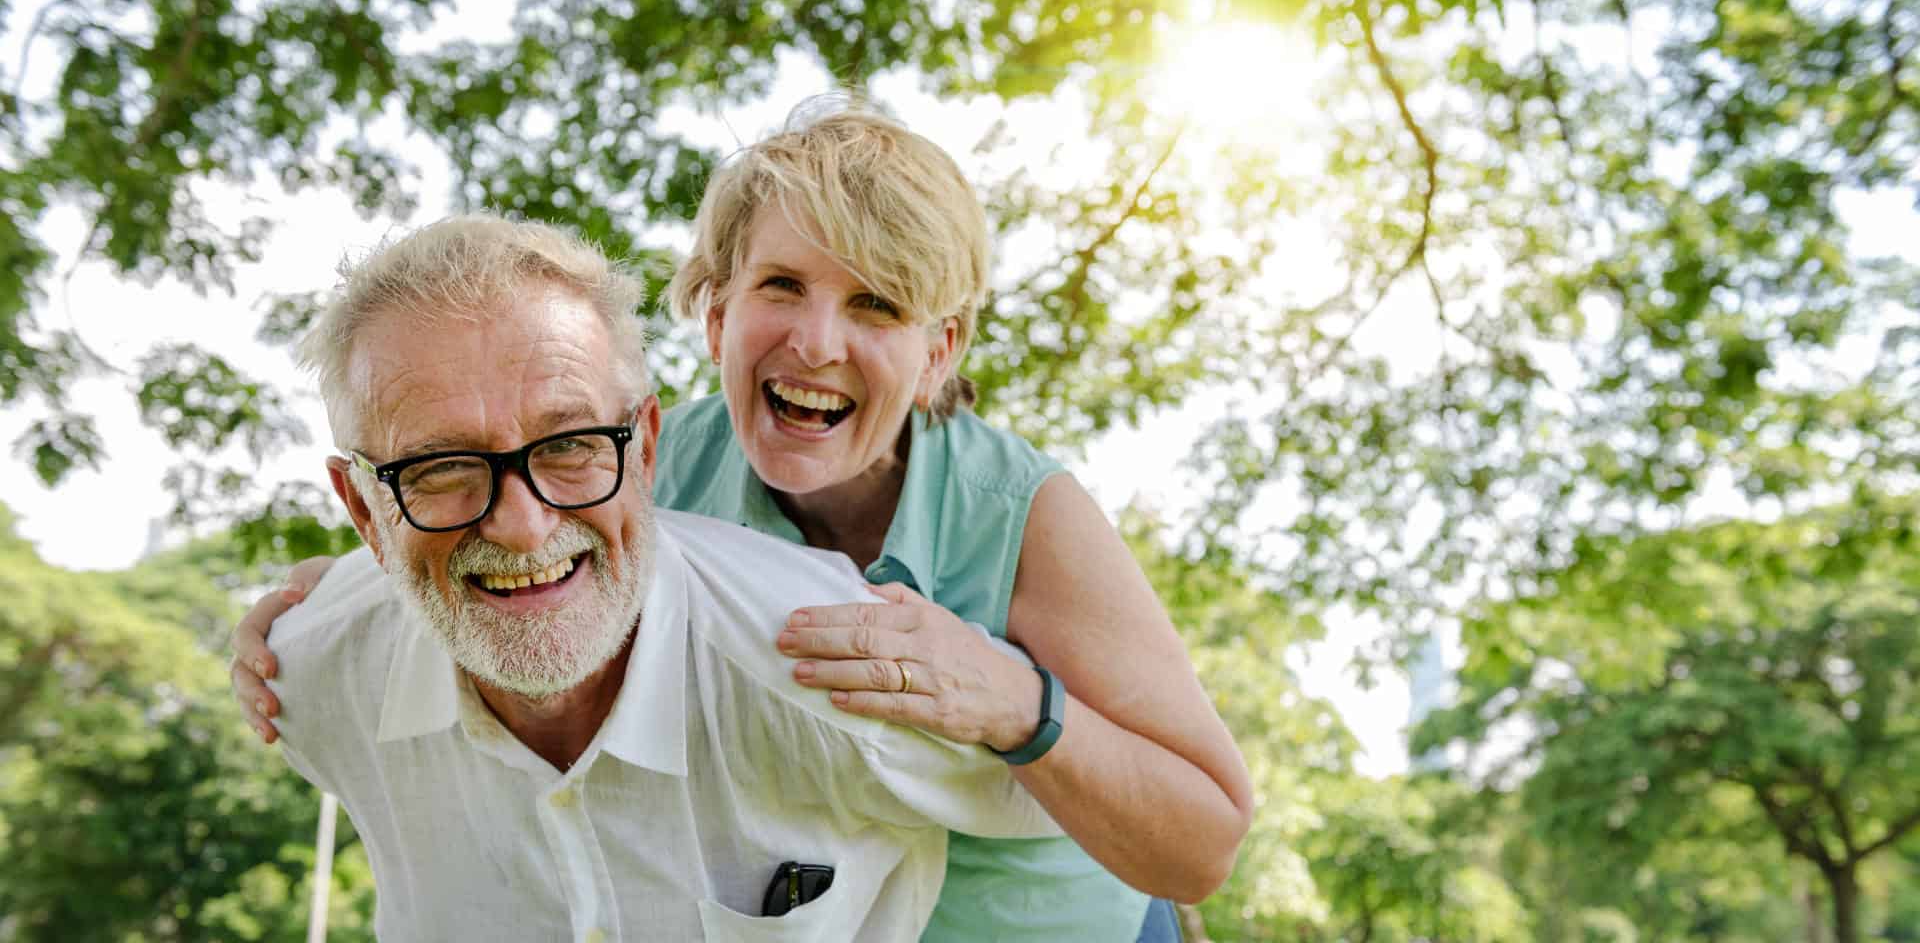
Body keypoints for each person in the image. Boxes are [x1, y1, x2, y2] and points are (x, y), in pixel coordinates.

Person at [235, 102, 1253, 942]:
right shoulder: (651, 463)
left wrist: (1015, 702)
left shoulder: (1021, 514)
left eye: (877, 304)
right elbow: (510, 513)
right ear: (717, 314)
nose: (816, 342)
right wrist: (353, 577)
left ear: (938, 352)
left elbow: (1202, 843)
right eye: (783, 286)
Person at [267, 213, 1062, 940]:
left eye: (570, 446)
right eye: (441, 468)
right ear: (364, 510)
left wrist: (1030, 713)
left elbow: (1058, 807)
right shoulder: (307, 676)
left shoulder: (834, 668)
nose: (523, 526)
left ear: (646, 450)